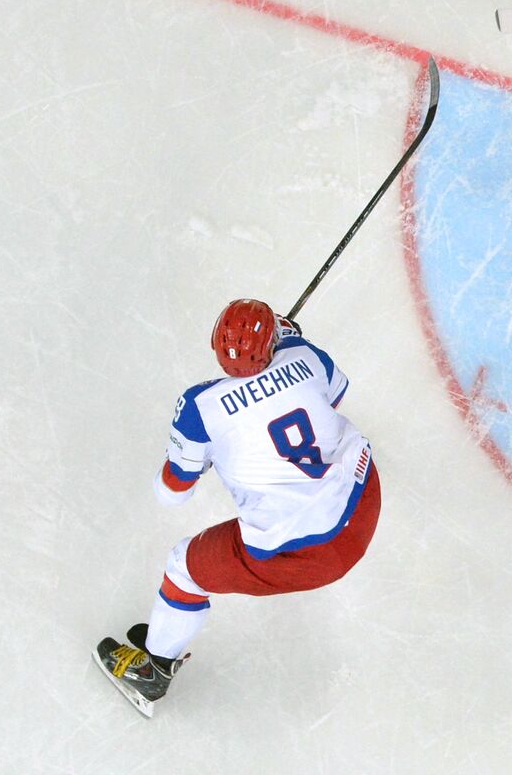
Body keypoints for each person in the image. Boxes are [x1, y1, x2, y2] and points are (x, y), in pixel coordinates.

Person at [93, 300, 380, 716]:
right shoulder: (305, 355)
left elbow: (172, 493)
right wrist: (289, 345)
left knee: (184, 569)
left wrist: (201, 456)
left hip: (304, 552)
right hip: (363, 499)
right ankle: (163, 636)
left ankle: (152, 673)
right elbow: (331, 397)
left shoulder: (200, 408)